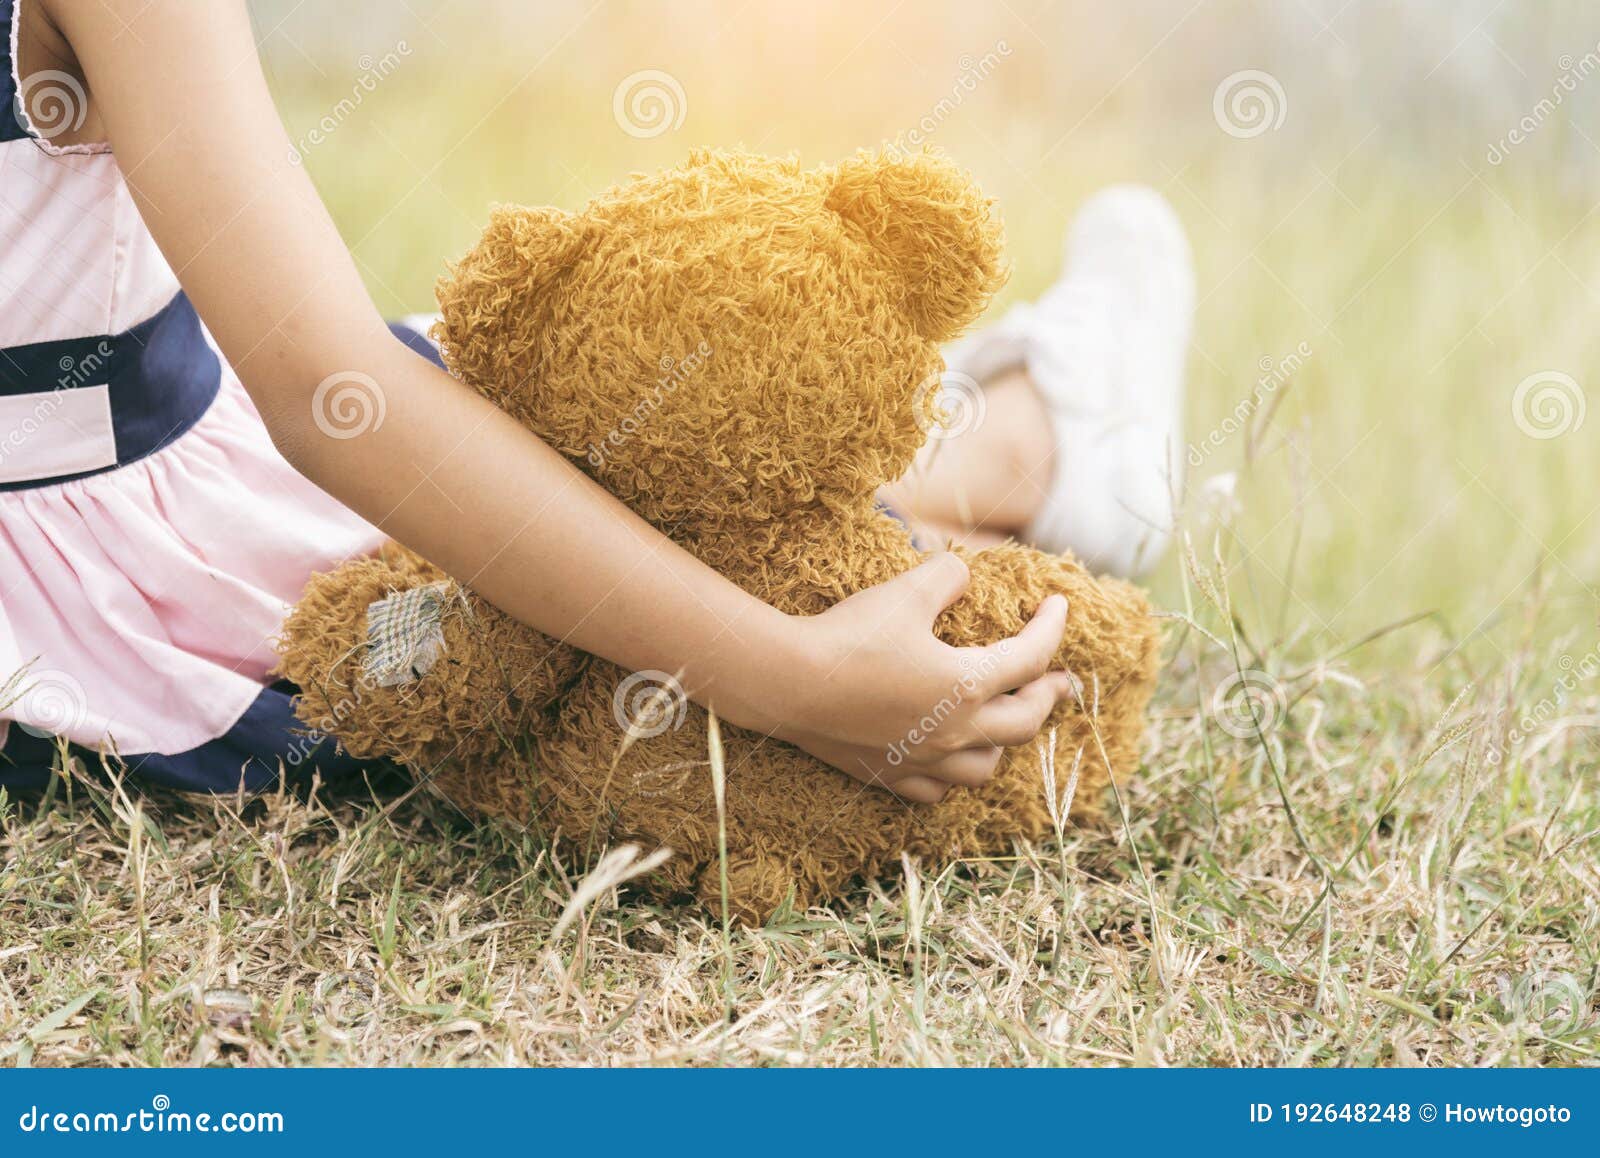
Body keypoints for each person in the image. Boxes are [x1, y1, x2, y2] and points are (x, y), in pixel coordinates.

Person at [0, 0, 1189, 804]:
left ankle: (1030, 441)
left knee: (595, 428)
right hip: (141, 587)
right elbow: (328, 389)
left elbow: (328, 385)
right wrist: (790, 679)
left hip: (201, 458)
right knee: (603, 531)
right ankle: (1042, 446)